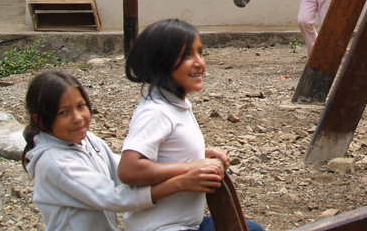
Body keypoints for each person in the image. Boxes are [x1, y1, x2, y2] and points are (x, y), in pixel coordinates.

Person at [22, 70, 220, 231]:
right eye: (63, 112)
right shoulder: (54, 163)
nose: (78, 117)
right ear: (40, 120)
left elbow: (126, 172)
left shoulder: (89, 141)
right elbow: (114, 197)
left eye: (80, 106)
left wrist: (193, 157)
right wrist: (182, 182)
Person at [118, 19, 264, 231]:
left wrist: (201, 154)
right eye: (186, 55)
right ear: (160, 62)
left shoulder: (175, 104)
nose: (199, 62)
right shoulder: (156, 111)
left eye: (200, 52)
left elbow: (165, 153)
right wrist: (191, 168)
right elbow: (129, 169)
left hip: (187, 223)